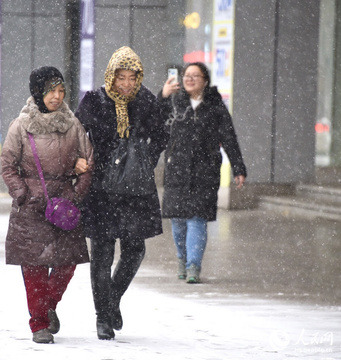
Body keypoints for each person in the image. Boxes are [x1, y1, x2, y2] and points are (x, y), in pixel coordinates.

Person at [75, 46, 168, 340]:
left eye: (132, 77)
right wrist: (85, 160)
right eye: (121, 77)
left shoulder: (145, 100)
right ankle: (103, 317)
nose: (126, 84)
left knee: (135, 250)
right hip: (101, 189)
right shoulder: (94, 100)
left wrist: (142, 160)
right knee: (102, 254)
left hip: (135, 190)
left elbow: (162, 134)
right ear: (110, 76)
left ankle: (111, 299)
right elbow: (77, 135)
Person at [0, 66, 94, 344]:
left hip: (63, 204)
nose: (57, 96)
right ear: (38, 92)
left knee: (68, 263)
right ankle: (39, 324)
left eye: (61, 90)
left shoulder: (72, 123)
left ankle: (48, 303)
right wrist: (21, 194)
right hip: (30, 207)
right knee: (34, 269)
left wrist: (76, 195)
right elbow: (7, 165)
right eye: (51, 90)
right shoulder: (21, 125)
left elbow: (88, 163)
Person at [159, 62, 247, 284]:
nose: (189, 79)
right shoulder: (174, 102)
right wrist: (162, 96)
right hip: (177, 170)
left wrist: (238, 168)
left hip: (204, 172)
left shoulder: (215, 107)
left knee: (197, 219)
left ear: (205, 81)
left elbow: (229, 138)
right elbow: (153, 122)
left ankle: (193, 266)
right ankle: (182, 259)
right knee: (178, 221)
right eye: (186, 75)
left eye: (195, 76)